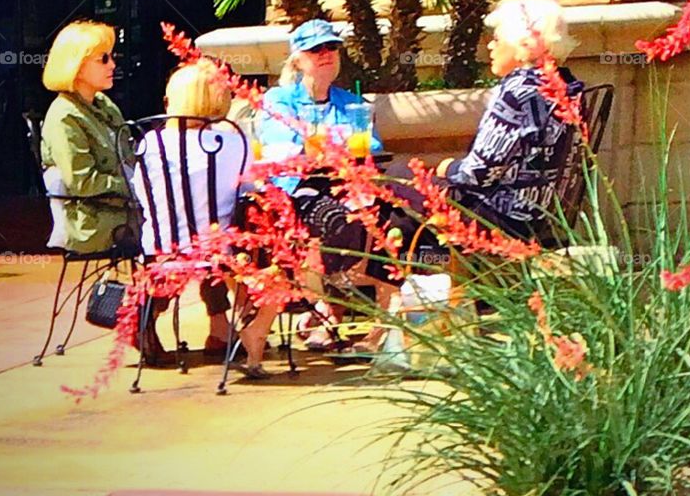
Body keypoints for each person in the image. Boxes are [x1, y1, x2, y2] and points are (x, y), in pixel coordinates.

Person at [257, 19, 413, 324]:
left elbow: (372, 145)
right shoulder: (280, 99)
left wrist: (328, 142)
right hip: (297, 187)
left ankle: (384, 316)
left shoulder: (351, 102)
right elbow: (282, 144)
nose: (326, 53)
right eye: (316, 49)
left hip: (347, 185)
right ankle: (328, 307)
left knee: (396, 216)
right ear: (298, 60)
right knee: (339, 219)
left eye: (332, 47)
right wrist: (334, 142)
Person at [135, 60, 279, 380]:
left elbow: (141, 195)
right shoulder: (233, 141)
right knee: (254, 235)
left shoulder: (150, 143)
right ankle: (250, 323)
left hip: (161, 247)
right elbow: (254, 189)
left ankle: (200, 324)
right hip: (218, 251)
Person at [436, 0, 583, 244]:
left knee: (392, 188)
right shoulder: (569, 87)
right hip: (544, 217)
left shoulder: (518, 91)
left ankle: (381, 281)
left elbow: (477, 174)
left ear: (523, 45)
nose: (490, 47)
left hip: (500, 218)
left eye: (496, 39)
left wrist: (448, 167)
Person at [40, 20, 138, 255]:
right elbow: (83, 183)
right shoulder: (64, 117)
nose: (112, 65)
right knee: (175, 230)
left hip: (122, 210)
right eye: (103, 59)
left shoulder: (104, 105)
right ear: (77, 66)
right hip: (93, 222)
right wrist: (133, 187)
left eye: (112, 57)